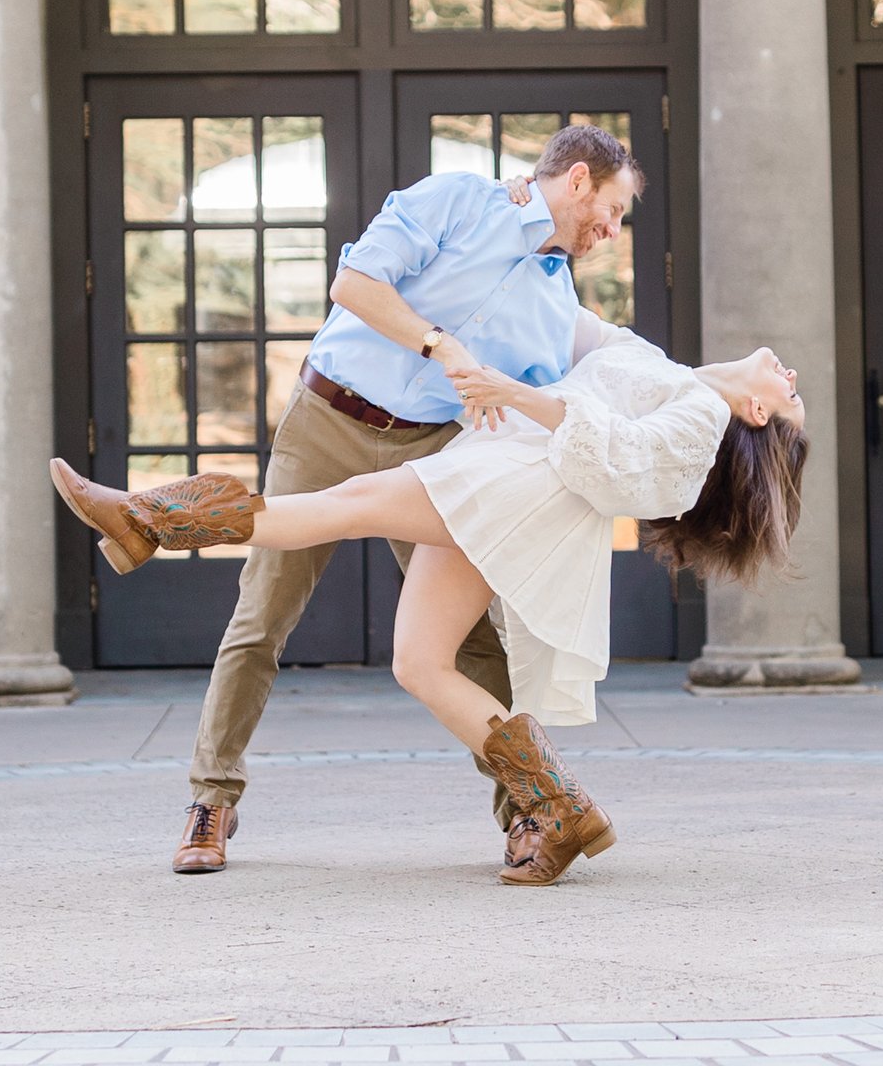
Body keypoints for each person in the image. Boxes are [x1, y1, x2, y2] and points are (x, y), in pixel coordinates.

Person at [51, 326, 807, 885]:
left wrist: (513, 395)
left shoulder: (705, 413)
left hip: (512, 487)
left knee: (337, 507)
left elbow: (631, 463)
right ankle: (563, 805)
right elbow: (555, 315)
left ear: (757, 414)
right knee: (419, 662)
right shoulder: (662, 365)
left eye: (792, 395)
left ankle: (144, 519)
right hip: (496, 473)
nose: (789, 371)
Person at [141, 124, 643, 875]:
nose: (612, 231)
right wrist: (443, 346)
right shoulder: (453, 202)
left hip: (431, 448)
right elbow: (355, 284)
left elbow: (537, 401)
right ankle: (212, 798)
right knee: (262, 616)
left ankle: (530, 812)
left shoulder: (553, 300)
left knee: (472, 640)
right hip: (328, 420)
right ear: (577, 180)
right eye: (613, 209)